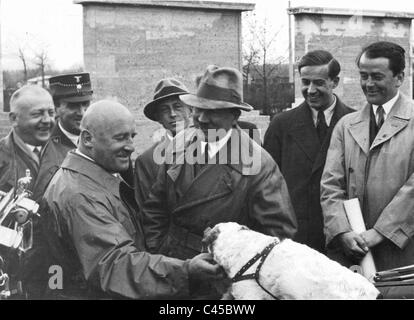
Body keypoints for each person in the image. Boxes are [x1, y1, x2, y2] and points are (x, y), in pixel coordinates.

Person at [40, 100, 223, 299]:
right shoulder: (80, 195)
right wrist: (186, 271)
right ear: (87, 139)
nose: (130, 147)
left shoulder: (90, 179)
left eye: (131, 137)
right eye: (120, 138)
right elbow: (114, 265)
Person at [143, 65, 297, 262]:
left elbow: (278, 237)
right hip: (173, 267)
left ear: (235, 116)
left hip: (220, 273)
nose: (202, 119)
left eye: (213, 111)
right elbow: (155, 208)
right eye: (199, 109)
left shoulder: (258, 164)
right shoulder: (179, 145)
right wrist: (159, 252)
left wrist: (234, 272)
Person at [321, 41, 414, 271]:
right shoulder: (346, 125)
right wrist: (342, 231)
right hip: (353, 254)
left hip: (403, 254)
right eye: (364, 76)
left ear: (399, 78)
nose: (368, 84)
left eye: (377, 76)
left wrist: (381, 232)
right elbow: (330, 185)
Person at [263, 50, 354, 253]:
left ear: (335, 82)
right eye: (305, 82)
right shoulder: (282, 125)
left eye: (319, 83)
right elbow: (266, 184)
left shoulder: (355, 123)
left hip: (341, 238)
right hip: (295, 240)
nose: (311, 90)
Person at [0, 85, 67, 298]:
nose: (47, 120)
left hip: (56, 269)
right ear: (14, 118)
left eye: (50, 112)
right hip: (11, 274)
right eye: (37, 114)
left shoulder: (70, 155)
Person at [134, 78, 192, 208]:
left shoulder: (209, 149)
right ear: (158, 118)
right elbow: (147, 211)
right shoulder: (146, 161)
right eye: (165, 110)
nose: (172, 114)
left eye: (178, 107)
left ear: (190, 110)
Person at [48, 72, 93, 153]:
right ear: (56, 107)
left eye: (85, 104)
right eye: (73, 105)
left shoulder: (101, 139)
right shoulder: (46, 145)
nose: (82, 113)